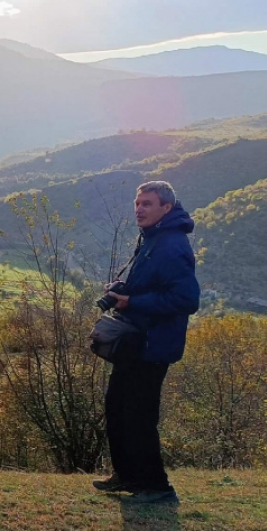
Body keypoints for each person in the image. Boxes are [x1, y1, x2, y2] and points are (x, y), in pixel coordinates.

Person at [95, 181, 199, 505]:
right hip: (135, 343)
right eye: (138, 203)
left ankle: (157, 487)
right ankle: (127, 475)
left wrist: (132, 303)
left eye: (148, 204)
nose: (139, 209)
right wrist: (124, 288)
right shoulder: (152, 239)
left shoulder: (172, 245)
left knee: (139, 415)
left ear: (166, 208)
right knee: (117, 408)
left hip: (153, 347)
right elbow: (152, 284)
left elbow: (186, 299)